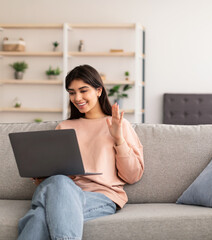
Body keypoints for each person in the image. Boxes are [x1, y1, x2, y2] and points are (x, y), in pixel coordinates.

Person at [17, 65, 144, 240]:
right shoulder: (64, 127)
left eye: (83, 91)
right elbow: (56, 174)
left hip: (101, 197)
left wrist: (118, 139)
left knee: (39, 216)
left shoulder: (118, 124)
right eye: (72, 92)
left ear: (99, 90)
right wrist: (43, 175)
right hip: (60, 191)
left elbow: (133, 175)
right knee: (59, 181)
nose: (77, 98)